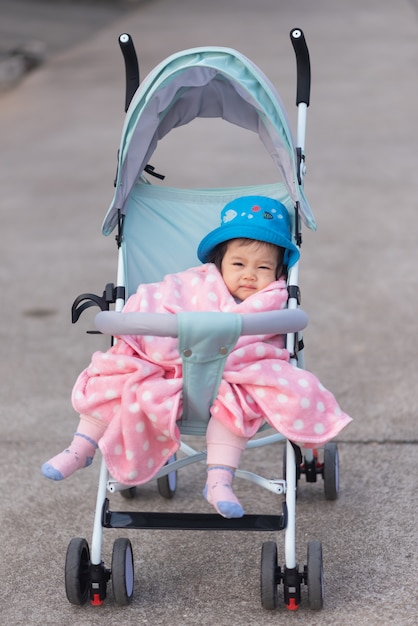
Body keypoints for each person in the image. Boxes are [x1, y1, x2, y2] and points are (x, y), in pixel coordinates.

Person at [42, 196, 351, 518]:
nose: (249, 275)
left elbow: (268, 341)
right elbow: (153, 300)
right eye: (238, 264)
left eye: (263, 267)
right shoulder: (191, 285)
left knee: (238, 401)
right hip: (164, 370)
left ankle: (219, 481)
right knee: (117, 377)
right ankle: (80, 449)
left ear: (277, 274)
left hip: (233, 374)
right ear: (219, 264)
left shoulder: (272, 300)